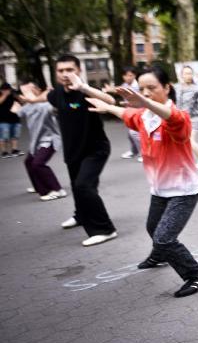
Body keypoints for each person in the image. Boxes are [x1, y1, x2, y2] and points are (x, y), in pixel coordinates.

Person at [85, 66, 198, 297]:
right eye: (141, 89)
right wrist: (107, 106)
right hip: (160, 189)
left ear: (167, 88)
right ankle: (160, 256)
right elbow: (126, 114)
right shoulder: (144, 117)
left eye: (151, 88)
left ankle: (197, 276)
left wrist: (144, 100)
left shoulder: (177, 118)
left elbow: (171, 117)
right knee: (152, 228)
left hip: (183, 190)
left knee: (163, 238)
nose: (145, 93)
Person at [26, 55, 119, 245]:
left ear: (79, 70)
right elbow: (46, 97)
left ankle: (105, 229)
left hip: (95, 149)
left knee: (84, 185)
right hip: (72, 150)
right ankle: (80, 216)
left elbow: (110, 100)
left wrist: (84, 87)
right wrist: (31, 98)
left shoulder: (86, 92)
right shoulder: (56, 93)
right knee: (77, 186)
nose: (65, 74)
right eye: (61, 71)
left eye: (70, 70)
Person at [13, 82, 65, 200]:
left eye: (28, 91)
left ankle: (57, 189)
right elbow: (19, 112)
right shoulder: (27, 107)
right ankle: (38, 186)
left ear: (38, 90)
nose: (25, 94)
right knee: (28, 162)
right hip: (36, 142)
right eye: (23, 92)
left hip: (49, 140)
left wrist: (50, 94)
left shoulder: (46, 105)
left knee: (38, 164)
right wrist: (15, 109)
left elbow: (56, 109)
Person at [174, 65, 198, 169]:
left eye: (190, 73)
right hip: (181, 118)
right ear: (181, 75)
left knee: (190, 140)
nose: (188, 75)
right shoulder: (177, 87)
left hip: (194, 119)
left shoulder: (195, 88)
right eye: (186, 73)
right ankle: (185, 161)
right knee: (181, 141)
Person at [105, 67, 143, 161]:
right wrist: (111, 89)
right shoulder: (125, 84)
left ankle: (143, 154)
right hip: (129, 111)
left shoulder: (137, 85)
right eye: (126, 75)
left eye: (130, 75)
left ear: (134, 75)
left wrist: (112, 89)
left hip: (139, 112)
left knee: (134, 133)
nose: (128, 77)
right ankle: (134, 151)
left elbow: (125, 90)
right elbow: (121, 89)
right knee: (131, 134)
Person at [0, 82, 23, 158]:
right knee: (4, 137)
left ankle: (14, 150)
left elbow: (22, 102)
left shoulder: (13, 95)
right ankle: (4, 152)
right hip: (3, 120)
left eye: (8, 90)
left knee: (15, 136)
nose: (7, 91)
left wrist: (16, 96)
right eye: (5, 90)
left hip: (15, 119)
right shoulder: (1, 95)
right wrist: (4, 95)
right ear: (2, 90)